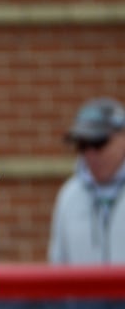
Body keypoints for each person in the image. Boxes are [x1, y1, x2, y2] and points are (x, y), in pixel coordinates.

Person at [48, 97, 125, 264]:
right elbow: (58, 265)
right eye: (82, 145)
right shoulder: (69, 196)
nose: (90, 154)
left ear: (122, 138)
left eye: (98, 143)